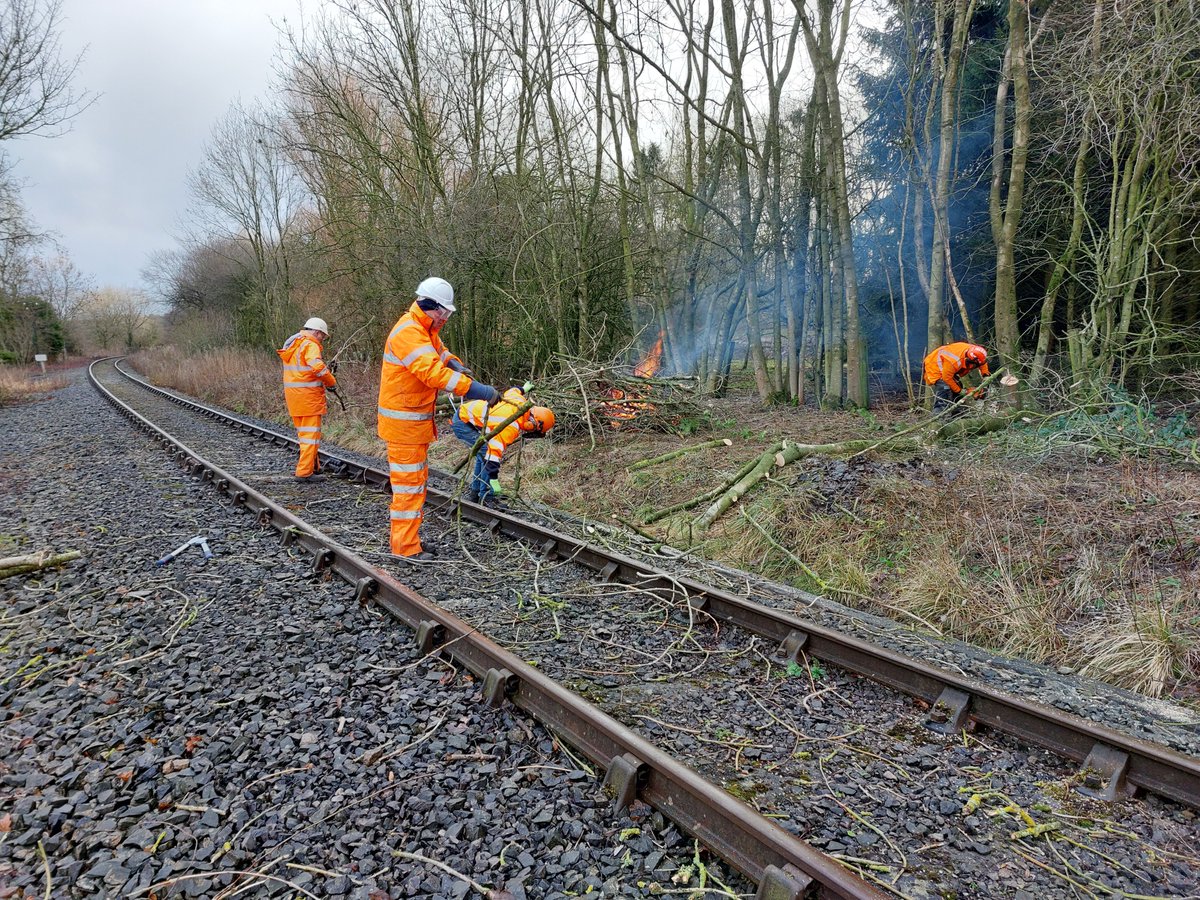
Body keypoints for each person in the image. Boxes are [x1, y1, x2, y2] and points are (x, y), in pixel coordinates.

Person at [377, 277, 501, 560]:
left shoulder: (424, 328)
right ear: (430, 307)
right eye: (443, 312)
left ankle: (411, 541)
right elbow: (432, 373)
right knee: (408, 490)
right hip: (403, 427)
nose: (445, 318)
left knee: (416, 485)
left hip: (414, 426)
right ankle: (405, 548)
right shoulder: (408, 332)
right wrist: (477, 390)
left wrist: (453, 361)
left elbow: (439, 354)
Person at [452, 386, 555, 506]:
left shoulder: (519, 401)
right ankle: (486, 497)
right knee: (486, 453)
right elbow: (493, 453)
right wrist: (494, 478)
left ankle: (476, 492)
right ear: (532, 423)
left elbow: (512, 391)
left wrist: (523, 388)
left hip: (466, 415)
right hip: (463, 423)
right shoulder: (511, 426)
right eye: (534, 429)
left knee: (482, 455)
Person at [277, 317, 337, 481]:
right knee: (310, 437)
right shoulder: (310, 345)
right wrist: (331, 381)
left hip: (294, 398)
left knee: (305, 436)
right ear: (317, 332)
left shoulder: (294, 344)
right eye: (323, 336)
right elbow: (317, 366)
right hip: (309, 398)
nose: (322, 340)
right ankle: (304, 473)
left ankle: (313, 467)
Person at [923, 341, 990, 410]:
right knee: (945, 388)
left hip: (946, 366)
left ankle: (957, 413)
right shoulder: (955, 361)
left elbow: (982, 362)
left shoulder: (975, 352)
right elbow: (947, 378)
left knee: (957, 385)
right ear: (968, 360)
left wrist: (985, 375)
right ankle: (939, 414)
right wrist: (960, 391)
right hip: (934, 366)